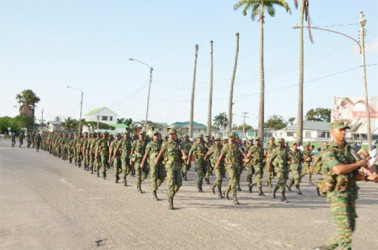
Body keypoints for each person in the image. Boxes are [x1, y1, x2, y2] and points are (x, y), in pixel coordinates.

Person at [314, 121, 377, 250]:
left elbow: (353, 174)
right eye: (340, 130)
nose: (343, 132)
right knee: (345, 232)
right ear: (332, 132)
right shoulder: (328, 150)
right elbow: (338, 170)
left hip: (350, 193)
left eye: (345, 130)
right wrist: (359, 164)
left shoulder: (349, 151)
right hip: (337, 195)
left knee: (350, 228)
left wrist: (368, 178)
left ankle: (324, 248)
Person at [155, 128, 185, 210]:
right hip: (169, 166)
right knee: (170, 183)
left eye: (173, 134)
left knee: (179, 184)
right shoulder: (166, 144)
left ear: (175, 135)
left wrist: (184, 158)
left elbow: (183, 154)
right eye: (170, 134)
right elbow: (160, 153)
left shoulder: (179, 144)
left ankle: (170, 194)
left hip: (178, 166)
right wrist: (156, 162)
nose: (171, 136)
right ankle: (170, 201)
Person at [215, 132, 246, 205]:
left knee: (233, 180)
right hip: (229, 165)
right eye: (230, 137)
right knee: (234, 180)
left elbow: (243, 153)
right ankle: (234, 197)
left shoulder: (238, 146)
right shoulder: (226, 146)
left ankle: (226, 191)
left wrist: (246, 159)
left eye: (232, 137)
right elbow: (221, 155)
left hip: (237, 165)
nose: (231, 138)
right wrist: (217, 163)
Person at [141, 132, 165, 200]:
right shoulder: (150, 144)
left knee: (162, 178)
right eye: (155, 136)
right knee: (154, 177)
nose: (156, 137)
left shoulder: (162, 144)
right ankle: (154, 192)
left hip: (161, 163)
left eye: (158, 135)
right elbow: (146, 154)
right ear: (153, 137)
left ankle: (154, 187)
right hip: (153, 163)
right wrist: (142, 162)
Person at [268, 138, 289, 202]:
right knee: (282, 181)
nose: (280, 144)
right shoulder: (276, 150)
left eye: (281, 142)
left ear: (283, 143)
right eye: (279, 142)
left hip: (285, 168)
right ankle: (283, 196)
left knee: (283, 181)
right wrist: (269, 166)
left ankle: (274, 190)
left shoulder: (286, 150)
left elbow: (289, 158)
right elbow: (271, 158)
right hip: (278, 168)